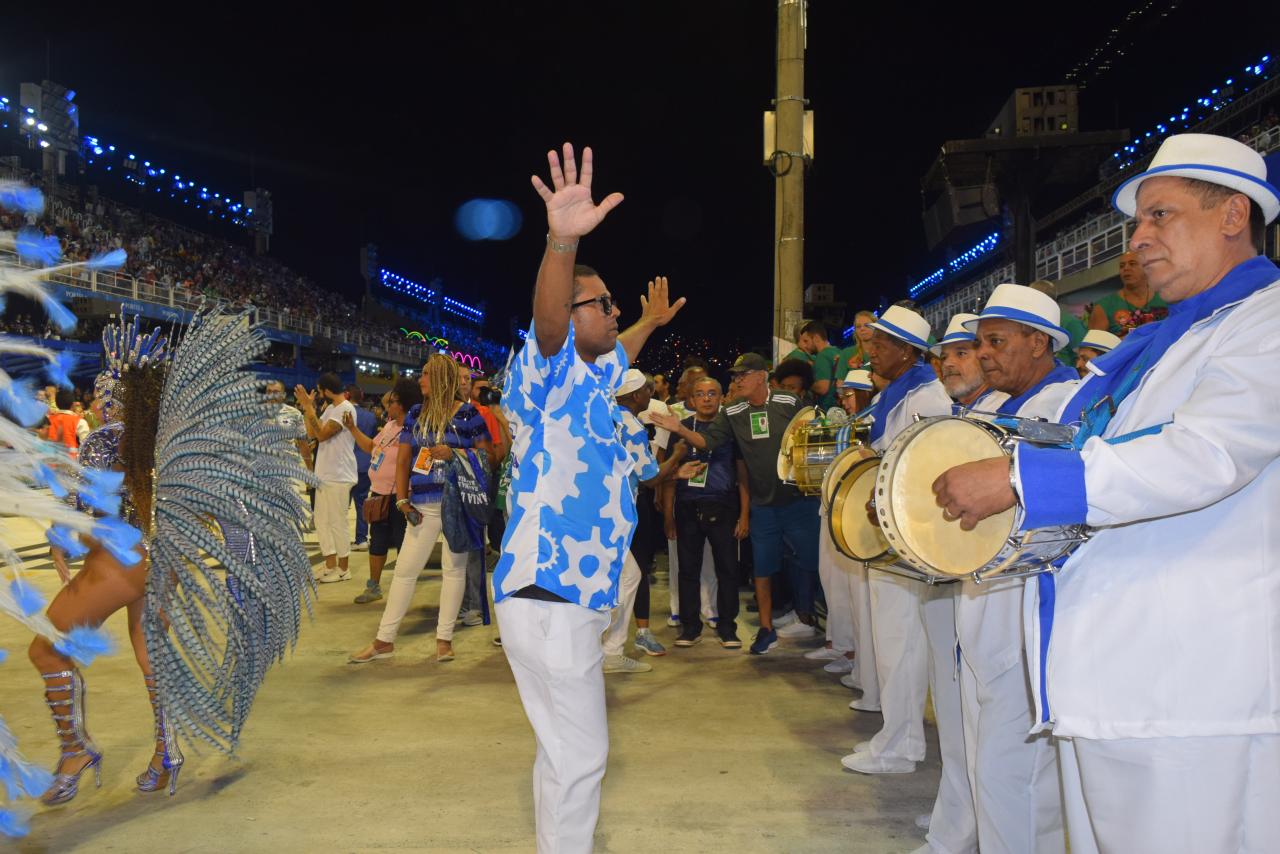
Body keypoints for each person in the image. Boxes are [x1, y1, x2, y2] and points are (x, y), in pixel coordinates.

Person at [933, 133, 1280, 853]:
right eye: (1138, 220)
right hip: (1118, 675)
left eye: (1160, 215)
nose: (1138, 237)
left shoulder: (1265, 322)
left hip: (1193, 691)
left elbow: (1206, 453)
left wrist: (1018, 479)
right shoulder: (1169, 340)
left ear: (1233, 214)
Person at [495, 143, 684, 853]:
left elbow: (616, 349)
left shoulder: (597, 384)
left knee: (562, 754)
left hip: (563, 596)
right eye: (602, 302)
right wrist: (561, 243)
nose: (615, 309)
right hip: (552, 592)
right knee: (581, 758)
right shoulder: (546, 372)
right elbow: (550, 325)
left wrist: (649, 325)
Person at [942, 285, 1078, 854]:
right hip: (985, 596)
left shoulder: (1068, 403)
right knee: (983, 749)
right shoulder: (996, 406)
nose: (983, 355)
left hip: (1030, 601)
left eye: (995, 342)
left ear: (1039, 342)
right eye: (980, 344)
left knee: (1014, 768)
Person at [839, 305, 953, 777]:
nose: (872, 351)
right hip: (892, 532)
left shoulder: (927, 396)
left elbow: (927, 466)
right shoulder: (901, 392)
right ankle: (895, 736)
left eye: (882, 344)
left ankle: (901, 747)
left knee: (901, 640)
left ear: (907, 351)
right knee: (892, 639)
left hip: (906, 536)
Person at [653, 351, 819, 655]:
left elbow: (812, 432)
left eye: (743, 375)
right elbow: (707, 442)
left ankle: (806, 617)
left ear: (761, 377)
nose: (738, 380)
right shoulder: (732, 411)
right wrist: (679, 429)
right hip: (761, 504)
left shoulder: (788, 401)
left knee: (809, 562)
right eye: (735, 376)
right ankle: (765, 630)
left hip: (798, 501)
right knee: (762, 568)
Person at [348, 353, 492, 664]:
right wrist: (402, 500)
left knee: (453, 571)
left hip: (458, 505)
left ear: (440, 378)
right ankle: (384, 640)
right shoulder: (416, 413)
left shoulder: (469, 415)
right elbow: (403, 460)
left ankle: (444, 639)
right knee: (404, 571)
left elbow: (489, 457)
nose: (420, 379)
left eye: (426, 374)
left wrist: (455, 453)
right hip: (422, 506)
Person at [602, 369, 691, 671]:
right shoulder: (631, 425)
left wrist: (674, 473)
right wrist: (676, 455)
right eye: (646, 391)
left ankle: (605, 649)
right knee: (628, 577)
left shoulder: (605, 415)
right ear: (634, 395)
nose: (649, 395)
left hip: (596, 511)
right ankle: (608, 651)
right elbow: (650, 477)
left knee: (619, 578)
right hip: (614, 514)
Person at [664, 376, 748, 649]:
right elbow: (667, 473)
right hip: (688, 506)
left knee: (728, 570)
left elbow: (743, 473)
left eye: (712, 393)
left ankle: (728, 628)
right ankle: (690, 627)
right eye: (700, 394)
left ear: (721, 398)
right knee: (688, 570)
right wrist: (668, 516)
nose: (707, 398)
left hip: (724, 505)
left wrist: (744, 514)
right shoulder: (681, 429)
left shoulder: (731, 427)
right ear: (691, 400)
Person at [343, 378, 423, 605]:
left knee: (403, 543)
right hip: (379, 494)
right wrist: (352, 429)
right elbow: (371, 447)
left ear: (404, 404)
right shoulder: (389, 426)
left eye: (393, 401)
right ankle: (373, 586)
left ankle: (404, 588)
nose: (388, 405)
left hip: (402, 496)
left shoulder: (415, 430)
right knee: (377, 541)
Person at [295, 373, 357, 583]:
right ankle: (330, 565)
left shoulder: (346, 409)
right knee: (321, 520)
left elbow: (322, 435)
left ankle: (344, 568)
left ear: (327, 390)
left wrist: (309, 407)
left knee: (338, 522)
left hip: (339, 475)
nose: (319, 394)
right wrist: (308, 408)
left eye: (320, 390)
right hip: (324, 474)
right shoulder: (331, 408)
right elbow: (312, 433)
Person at [1089, 249, 1169, 335]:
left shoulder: (1167, 299)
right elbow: (1092, 343)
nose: (1126, 268)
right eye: (1122, 266)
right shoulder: (1104, 307)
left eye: (1132, 264)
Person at [346, 385, 378, 551]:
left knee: (341, 506)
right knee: (362, 503)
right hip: (365, 463)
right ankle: (362, 539)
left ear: (346, 395)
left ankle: (340, 540)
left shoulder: (342, 413)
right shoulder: (371, 416)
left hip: (346, 464)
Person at [796, 320, 842, 409]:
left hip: (828, 408)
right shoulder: (837, 351)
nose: (805, 346)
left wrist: (804, 382)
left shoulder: (823, 355)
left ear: (816, 338)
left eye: (806, 341)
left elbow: (822, 388)